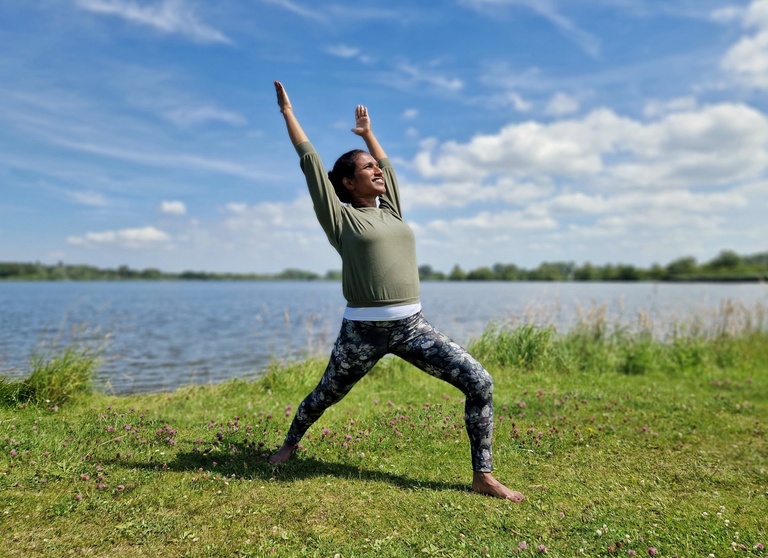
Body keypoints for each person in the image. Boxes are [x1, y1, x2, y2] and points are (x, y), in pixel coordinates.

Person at [268, 80, 524, 502]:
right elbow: (311, 163)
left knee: (480, 382)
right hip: (362, 332)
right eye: (367, 169)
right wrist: (288, 114)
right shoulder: (341, 219)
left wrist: (367, 135)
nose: (377, 172)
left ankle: (483, 475)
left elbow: (389, 166)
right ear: (348, 184)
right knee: (324, 396)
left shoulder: (393, 210)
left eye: (376, 166)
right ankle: (290, 443)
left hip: (412, 326)